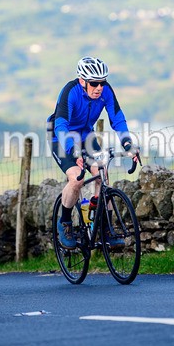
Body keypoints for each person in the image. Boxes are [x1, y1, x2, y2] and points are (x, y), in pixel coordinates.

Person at [48, 56, 138, 249]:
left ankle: (105, 228)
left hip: (86, 137)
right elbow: (61, 125)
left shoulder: (105, 91)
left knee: (102, 175)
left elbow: (118, 119)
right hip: (62, 138)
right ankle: (64, 223)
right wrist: (74, 152)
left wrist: (128, 144)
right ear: (82, 81)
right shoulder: (70, 92)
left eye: (102, 82)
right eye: (94, 83)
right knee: (77, 179)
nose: (99, 87)